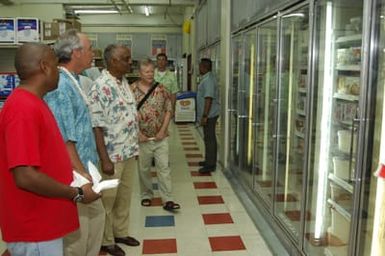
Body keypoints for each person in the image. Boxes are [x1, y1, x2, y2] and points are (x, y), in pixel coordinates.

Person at [0, 42, 100, 256]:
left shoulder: (35, 102)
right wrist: (77, 193)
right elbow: (25, 176)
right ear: (45, 67)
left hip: (45, 223)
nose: (59, 72)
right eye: (56, 66)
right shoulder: (22, 108)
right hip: (35, 227)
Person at [44, 29, 105, 256]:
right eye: (89, 49)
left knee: (96, 223)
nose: (93, 54)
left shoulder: (78, 81)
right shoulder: (60, 85)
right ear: (76, 52)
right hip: (74, 176)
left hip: (87, 170)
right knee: (77, 239)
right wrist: (82, 177)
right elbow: (64, 138)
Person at [88, 44, 140, 256]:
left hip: (128, 151)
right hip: (112, 155)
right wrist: (105, 159)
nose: (130, 62)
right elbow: (96, 126)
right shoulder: (100, 86)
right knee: (108, 201)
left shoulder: (124, 82)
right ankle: (107, 240)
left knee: (124, 198)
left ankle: (120, 232)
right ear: (112, 62)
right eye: (126, 59)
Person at [131, 58, 181, 212]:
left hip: (161, 138)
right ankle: (146, 195)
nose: (150, 74)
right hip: (142, 138)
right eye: (146, 71)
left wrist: (162, 130)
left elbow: (168, 110)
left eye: (152, 71)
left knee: (163, 168)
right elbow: (128, 115)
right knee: (144, 168)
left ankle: (168, 199)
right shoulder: (131, 90)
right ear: (139, 73)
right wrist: (138, 134)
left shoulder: (162, 89)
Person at [196, 58, 220, 174]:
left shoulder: (209, 80)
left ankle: (211, 165)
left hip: (210, 115)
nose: (199, 68)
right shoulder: (205, 78)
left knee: (210, 139)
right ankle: (208, 160)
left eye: (200, 66)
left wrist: (205, 115)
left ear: (204, 67)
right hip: (207, 114)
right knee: (207, 138)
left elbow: (208, 98)